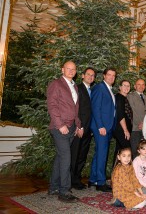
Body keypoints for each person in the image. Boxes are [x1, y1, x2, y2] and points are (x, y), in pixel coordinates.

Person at [47, 61, 81, 203]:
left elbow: (75, 107)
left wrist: (77, 124)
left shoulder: (74, 86)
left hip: (71, 127)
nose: (71, 71)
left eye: (73, 69)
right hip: (59, 127)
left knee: (61, 157)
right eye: (68, 69)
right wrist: (60, 124)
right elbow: (52, 105)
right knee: (66, 157)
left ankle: (54, 187)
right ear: (62, 69)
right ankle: (64, 191)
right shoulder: (56, 84)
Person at [89, 68, 117, 192]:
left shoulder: (108, 89)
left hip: (107, 127)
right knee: (102, 154)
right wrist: (100, 126)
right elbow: (95, 108)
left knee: (99, 153)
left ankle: (93, 179)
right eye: (109, 75)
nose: (111, 77)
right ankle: (100, 182)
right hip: (101, 127)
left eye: (113, 75)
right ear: (104, 76)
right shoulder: (100, 88)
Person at [70, 67, 96, 190]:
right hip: (79, 128)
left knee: (82, 155)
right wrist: (78, 126)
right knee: (75, 155)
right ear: (82, 75)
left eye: (93, 76)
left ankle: (77, 179)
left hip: (87, 129)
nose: (90, 77)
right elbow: (76, 109)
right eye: (88, 74)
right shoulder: (78, 88)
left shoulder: (92, 90)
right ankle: (70, 180)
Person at [127, 79, 146, 158]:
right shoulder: (130, 97)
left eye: (143, 84)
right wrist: (140, 124)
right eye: (139, 84)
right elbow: (132, 112)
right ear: (135, 86)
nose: (141, 86)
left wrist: (145, 124)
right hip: (135, 129)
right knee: (135, 152)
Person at [112, 80, 133, 166]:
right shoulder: (119, 98)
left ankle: (115, 174)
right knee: (127, 151)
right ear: (120, 87)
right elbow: (120, 115)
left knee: (119, 151)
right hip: (121, 130)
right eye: (124, 85)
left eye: (128, 86)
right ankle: (126, 174)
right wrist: (125, 130)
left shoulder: (124, 98)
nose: (126, 88)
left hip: (122, 130)